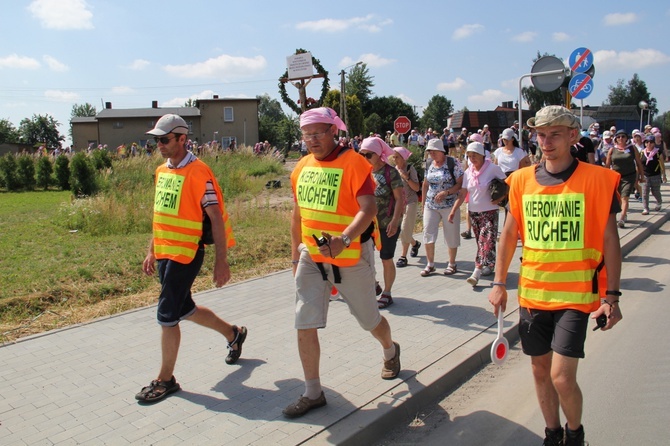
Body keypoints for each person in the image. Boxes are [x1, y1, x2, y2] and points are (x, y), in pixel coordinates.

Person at [488, 105, 623, 446]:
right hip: (533, 294)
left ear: (573, 136)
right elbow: (508, 235)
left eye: (555, 135)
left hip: (576, 298)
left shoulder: (597, 180)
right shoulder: (519, 181)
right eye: (541, 135)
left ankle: (574, 435)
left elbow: (610, 240)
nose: (545, 142)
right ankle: (552, 434)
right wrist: (499, 283)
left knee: (561, 377)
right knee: (538, 371)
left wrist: (613, 297)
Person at [285, 107, 401, 418]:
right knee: (304, 321)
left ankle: (390, 350)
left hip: (349, 256)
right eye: (307, 134)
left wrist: (344, 239)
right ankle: (313, 392)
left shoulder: (355, 164)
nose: (312, 140)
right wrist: (296, 255)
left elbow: (369, 209)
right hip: (312, 256)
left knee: (368, 320)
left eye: (318, 133)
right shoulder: (301, 167)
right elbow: (297, 215)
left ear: (333, 131)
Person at [135, 114, 246, 404]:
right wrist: (152, 249)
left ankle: (165, 379)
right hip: (165, 252)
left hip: (186, 253)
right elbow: (162, 214)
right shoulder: (162, 171)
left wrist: (221, 261)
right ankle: (233, 334)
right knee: (185, 309)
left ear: (182, 139)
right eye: (156, 139)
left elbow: (216, 219)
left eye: (164, 139)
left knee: (167, 315)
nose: (158, 144)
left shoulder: (199, 172)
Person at [450, 142, 507, 286]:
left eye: (475, 155)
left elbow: (509, 183)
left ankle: (477, 271)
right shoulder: (468, 172)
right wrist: (453, 210)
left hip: (489, 212)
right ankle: (490, 264)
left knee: (485, 241)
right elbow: (463, 193)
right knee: (482, 242)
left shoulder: (493, 169)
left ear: (482, 155)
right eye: (469, 155)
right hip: (473, 213)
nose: (472, 158)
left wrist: (500, 198)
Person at [359, 136, 404, 308]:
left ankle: (387, 293)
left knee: (386, 258)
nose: (365, 158)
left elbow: (399, 199)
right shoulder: (364, 171)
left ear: (378, 154)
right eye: (361, 154)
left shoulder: (390, 172)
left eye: (368, 155)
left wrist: (394, 221)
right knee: (362, 257)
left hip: (387, 223)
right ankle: (374, 284)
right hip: (367, 223)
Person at [420, 138, 464, 276]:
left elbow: (460, 184)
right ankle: (430, 264)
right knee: (428, 233)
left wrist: (447, 192)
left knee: (451, 234)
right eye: (429, 152)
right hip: (431, 205)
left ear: (441, 151)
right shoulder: (429, 164)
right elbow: (425, 184)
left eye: (434, 151)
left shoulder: (453, 163)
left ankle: (451, 263)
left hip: (449, 205)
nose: (431, 154)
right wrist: (423, 204)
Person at [605, 129, 644, 228]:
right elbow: (607, 165)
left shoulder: (632, 148)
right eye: (618, 137)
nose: (621, 138)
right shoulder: (612, 150)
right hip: (616, 177)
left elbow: (639, 163)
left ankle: (621, 219)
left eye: (623, 136)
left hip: (629, 176)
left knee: (625, 197)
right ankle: (624, 213)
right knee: (618, 199)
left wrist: (642, 176)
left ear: (627, 138)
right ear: (615, 139)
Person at [392, 147, 422, 269]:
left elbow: (416, 188)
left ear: (403, 158)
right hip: (399, 204)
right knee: (403, 230)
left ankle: (403, 256)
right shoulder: (394, 170)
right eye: (393, 157)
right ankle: (415, 244)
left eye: (397, 157)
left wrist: (406, 177)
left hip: (411, 201)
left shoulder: (410, 169)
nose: (395, 159)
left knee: (404, 230)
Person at [640, 134, 666, 215]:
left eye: (651, 142)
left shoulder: (658, 152)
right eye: (647, 142)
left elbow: (662, 164)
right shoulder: (642, 153)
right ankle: (646, 208)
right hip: (645, 175)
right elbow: (639, 164)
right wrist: (638, 176)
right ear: (645, 143)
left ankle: (659, 202)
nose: (649, 144)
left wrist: (664, 175)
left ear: (654, 143)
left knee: (655, 192)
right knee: (644, 193)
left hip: (655, 175)